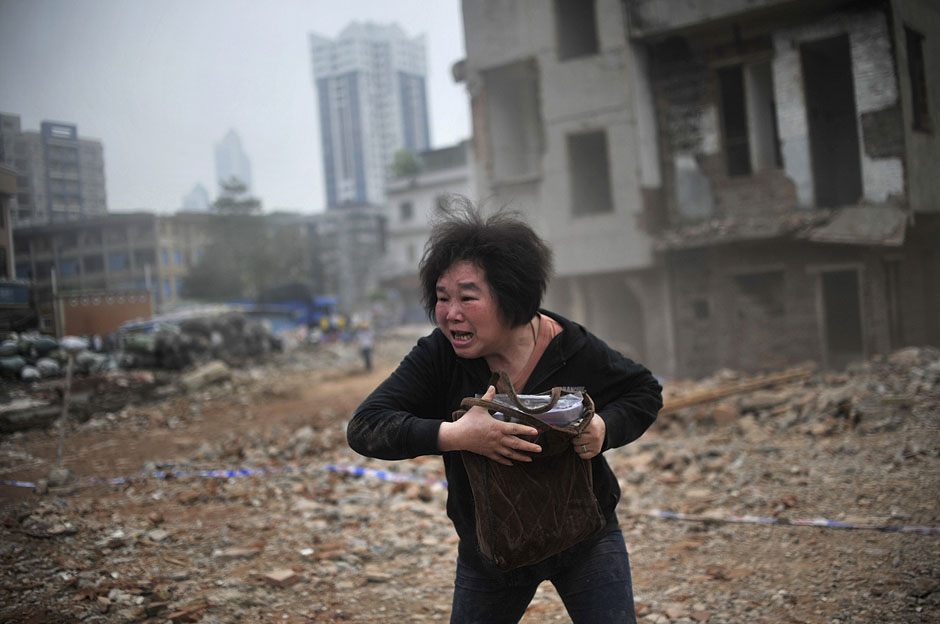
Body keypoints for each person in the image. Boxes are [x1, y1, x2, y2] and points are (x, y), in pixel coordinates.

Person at [347, 199, 662, 624]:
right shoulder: (439, 357)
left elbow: (643, 391)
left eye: (468, 297)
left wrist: (605, 427)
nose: (451, 313)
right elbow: (366, 427)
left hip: (586, 538)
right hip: (491, 552)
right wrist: (457, 436)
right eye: (442, 298)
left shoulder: (570, 347)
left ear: (511, 297)